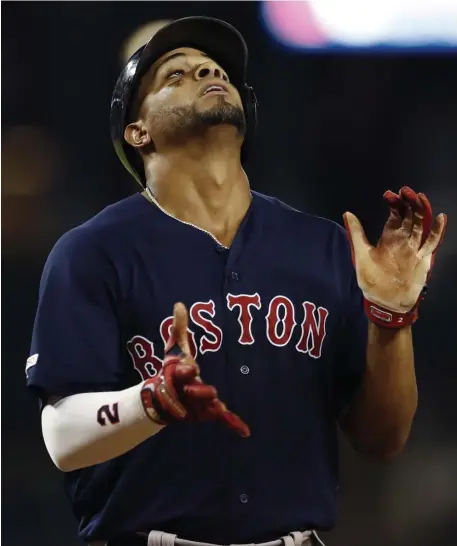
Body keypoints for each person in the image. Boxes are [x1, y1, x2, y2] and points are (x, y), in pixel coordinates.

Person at [26, 16, 447, 546]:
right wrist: (150, 401)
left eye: (214, 66)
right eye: (174, 75)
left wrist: (391, 320)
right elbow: (64, 438)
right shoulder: (91, 252)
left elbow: (383, 439)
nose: (204, 68)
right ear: (138, 131)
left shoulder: (321, 245)